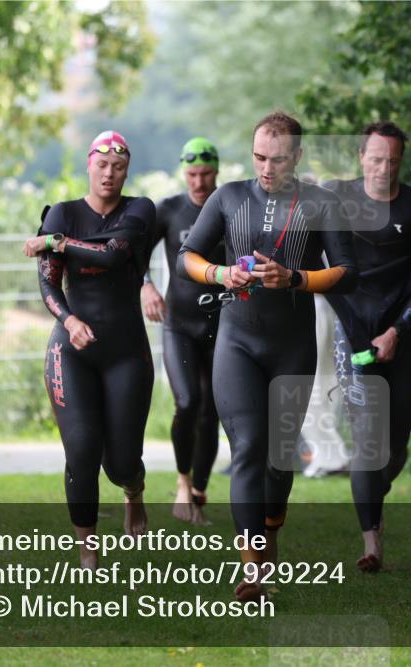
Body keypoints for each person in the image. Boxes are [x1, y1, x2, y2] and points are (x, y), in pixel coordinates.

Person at [177, 112, 358, 600]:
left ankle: (271, 531)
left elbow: (344, 269)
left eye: (277, 159)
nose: (266, 167)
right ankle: (251, 566)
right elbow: (188, 256)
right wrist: (219, 275)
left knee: (280, 462)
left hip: (291, 346)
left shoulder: (319, 202)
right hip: (237, 341)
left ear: (296, 157)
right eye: (258, 156)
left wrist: (296, 278)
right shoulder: (229, 197)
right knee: (249, 449)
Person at [23, 130, 155, 569]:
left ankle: (133, 491)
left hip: (125, 351)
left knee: (120, 462)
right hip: (71, 347)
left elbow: (114, 254)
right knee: (80, 449)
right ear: (88, 165)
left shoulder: (139, 210)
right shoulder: (62, 212)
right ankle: (88, 547)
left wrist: (55, 241)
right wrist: (69, 319)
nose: (109, 174)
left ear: (126, 170)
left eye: (118, 167)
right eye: (102, 165)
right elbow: (47, 281)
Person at [324, 121, 411, 572]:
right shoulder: (337, 200)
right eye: (376, 159)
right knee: (367, 442)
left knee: (393, 451)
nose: (383, 168)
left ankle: (377, 492)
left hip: (401, 336)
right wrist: (359, 335)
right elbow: (326, 273)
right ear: (361, 156)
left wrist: (397, 331)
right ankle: (371, 542)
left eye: (392, 161)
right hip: (353, 334)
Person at [141, 137, 225, 526]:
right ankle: (181, 481)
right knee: (188, 402)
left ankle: (198, 493)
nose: (199, 182)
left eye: (206, 174)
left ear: (217, 172)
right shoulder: (170, 209)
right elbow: (136, 253)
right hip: (180, 324)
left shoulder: (230, 206)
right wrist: (146, 285)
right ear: (183, 172)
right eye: (192, 174)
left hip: (222, 324)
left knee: (212, 412)